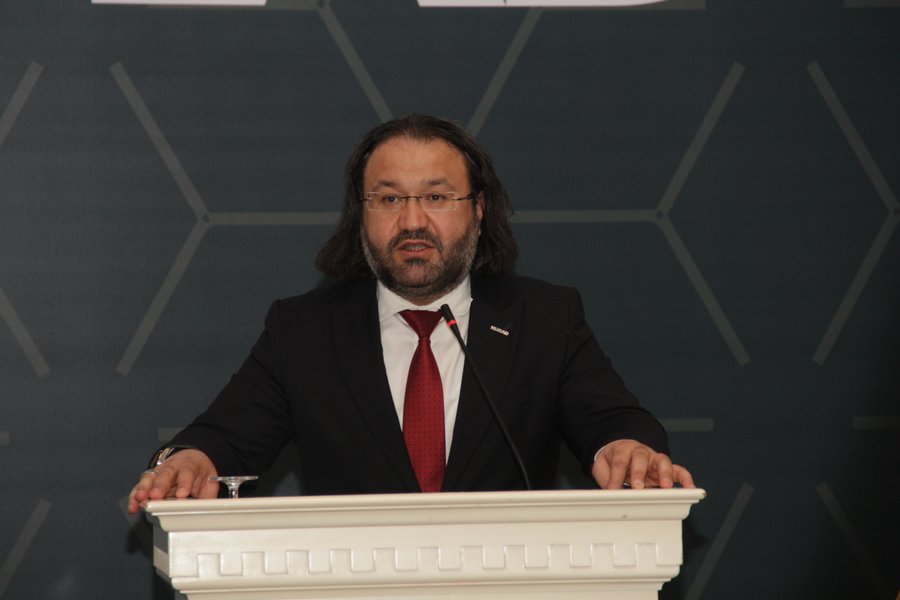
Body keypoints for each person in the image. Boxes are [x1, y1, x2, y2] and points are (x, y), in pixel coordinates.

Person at [128, 114, 693, 514]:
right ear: (362, 214)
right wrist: (190, 460)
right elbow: (223, 438)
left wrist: (627, 449)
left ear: (478, 209)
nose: (413, 221)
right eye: (390, 198)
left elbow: (615, 423)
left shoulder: (544, 319)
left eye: (437, 197)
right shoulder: (303, 331)